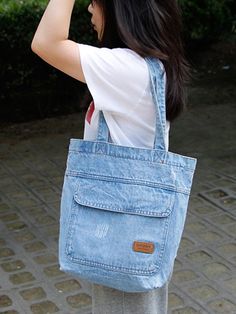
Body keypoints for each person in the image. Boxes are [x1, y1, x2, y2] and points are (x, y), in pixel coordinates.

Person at [31, 0, 189, 313]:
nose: (90, 9)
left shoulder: (127, 69)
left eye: (96, 1)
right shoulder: (143, 66)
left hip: (122, 234)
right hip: (128, 230)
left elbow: (46, 42)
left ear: (123, 10)